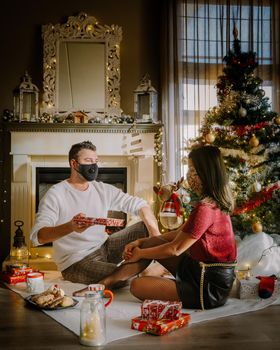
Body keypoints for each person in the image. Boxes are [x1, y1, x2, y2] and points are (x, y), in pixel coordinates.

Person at [96, 145, 237, 310]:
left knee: (136, 285)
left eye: (193, 170)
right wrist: (141, 241)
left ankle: (109, 282)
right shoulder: (210, 203)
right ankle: (107, 283)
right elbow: (179, 233)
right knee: (149, 244)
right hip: (197, 270)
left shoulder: (206, 208)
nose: (188, 176)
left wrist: (140, 253)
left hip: (207, 286)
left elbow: (175, 249)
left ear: (205, 172)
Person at [30, 140, 161, 294]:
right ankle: (142, 272)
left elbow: (141, 205)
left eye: (95, 161)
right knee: (122, 278)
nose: (93, 165)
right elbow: (37, 237)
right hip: (77, 261)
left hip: (105, 247)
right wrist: (70, 227)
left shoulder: (101, 189)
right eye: (88, 161)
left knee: (145, 226)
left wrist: (156, 239)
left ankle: (136, 268)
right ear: (74, 164)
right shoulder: (56, 194)